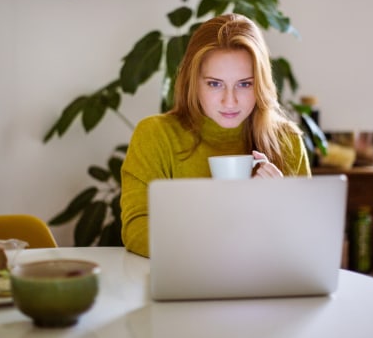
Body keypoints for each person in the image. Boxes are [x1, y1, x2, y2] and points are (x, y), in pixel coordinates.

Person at [120, 13, 311, 257]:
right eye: (214, 84)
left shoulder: (287, 141)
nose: (229, 101)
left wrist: (278, 208)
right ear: (193, 82)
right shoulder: (155, 135)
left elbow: (305, 241)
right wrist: (216, 244)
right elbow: (136, 229)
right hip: (184, 282)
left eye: (244, 84)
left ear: (260, 83)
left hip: (264, 284)